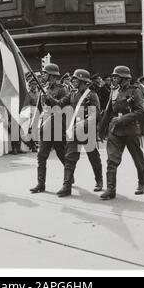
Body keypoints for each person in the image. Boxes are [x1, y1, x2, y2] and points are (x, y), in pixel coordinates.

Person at [98, 66, 144, 200]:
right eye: (113, 76)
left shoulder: (135, 91)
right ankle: (110, 189)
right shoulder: (113, 91)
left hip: (131, 130)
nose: (113, 78)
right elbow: (108, 111)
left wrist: (122, 118)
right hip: (115, 130)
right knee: (111, 160)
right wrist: (101, 129)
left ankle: (141, 183)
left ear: (124, 78)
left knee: (138, 159)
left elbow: (140, 111)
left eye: (116, 76)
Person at [54, 69, 103, 197]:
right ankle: (66, 185)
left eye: (76, 79)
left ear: (83, 82)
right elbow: (60, 104)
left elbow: (96, 115)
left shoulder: (92, 95)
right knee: (69, 157)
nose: (73, 81)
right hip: (75, 129)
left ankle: (99, 180)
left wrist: (83, 124)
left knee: (93, 157)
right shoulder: (72, 94)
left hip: (87, 130)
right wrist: (49, 99)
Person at [29, 63, 68, 194]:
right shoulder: (43, 88)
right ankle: (41, 184)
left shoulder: (62, 89)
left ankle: (69, 179)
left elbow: (64, 107)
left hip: (57, 127)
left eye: (45, 73)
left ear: (52, 75)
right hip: (45, 126)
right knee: (41, 156)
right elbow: (39, 108)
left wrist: (50, 98)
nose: (43, 75)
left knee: (62, 154)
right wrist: (33, 124)